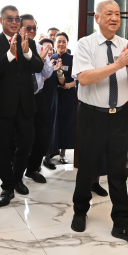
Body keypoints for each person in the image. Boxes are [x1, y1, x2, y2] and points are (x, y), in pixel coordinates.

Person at [70, 0, 128, 244]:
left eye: (117, 14)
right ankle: (80, 210)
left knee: (118, 170)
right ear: (97, 17)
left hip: (119, 116)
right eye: (109, 14)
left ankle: (122, 223)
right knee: (88, 167)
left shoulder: (127, 46)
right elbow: (84, 78)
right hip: (92, 115)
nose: (114, 18)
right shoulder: (85, 44)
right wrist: (117, 64)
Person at [0, 5, 44, 206]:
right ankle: (7, 187)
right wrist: (10, 55)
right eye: (9, 18)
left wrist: (27, 53)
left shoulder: (28, 42)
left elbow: (38, 66)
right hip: (3, 105)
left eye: (17, 18)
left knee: (26, 143)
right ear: (1, 20)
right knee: (3, 148)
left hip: (26, 104)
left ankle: (17, 177)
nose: (14, 22)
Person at [22, 15, 54, 183]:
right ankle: (16, 172)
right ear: (19, 29)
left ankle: (32, 168)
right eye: (28, 28)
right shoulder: (14, 48)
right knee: (22, 137)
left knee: (41, 136)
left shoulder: (40, 47)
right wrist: (38, 60)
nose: (32, 31)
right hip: (21, 98)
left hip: (39, 96)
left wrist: (44, 59)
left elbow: (47, 73)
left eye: (34, 28)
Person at [53, 32, 77, 164]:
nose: (61, 44)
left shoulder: (73, 59)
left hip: (68, 96)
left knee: (66, 124)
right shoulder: (51, 57)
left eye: (64, 41)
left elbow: (79, 79)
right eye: (59, 41)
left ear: (67, 44)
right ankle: (50, 152)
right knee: (53, 124)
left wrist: (68, 85)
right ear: (55, 43)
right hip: (53, 95)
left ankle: (63, 153)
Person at [38, 38, 60, 171]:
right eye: (45, 48)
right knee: (39, 130)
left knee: (51, 127)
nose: (49, 51)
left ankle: (47, 157)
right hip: (39, 99)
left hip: (52, 99)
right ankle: (35, 162)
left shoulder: (55, 62)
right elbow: (39, 81)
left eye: (51, 49)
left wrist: (58, 70)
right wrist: (50, 69)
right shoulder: (37, 62)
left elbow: (61, 82)